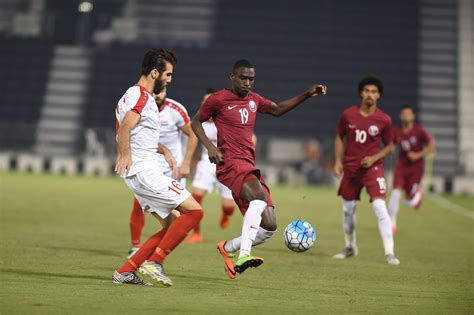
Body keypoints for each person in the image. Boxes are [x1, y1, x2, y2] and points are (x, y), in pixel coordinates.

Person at [191, 59, 327, 279]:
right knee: (259, 199)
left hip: (248, 165)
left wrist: (307, 94)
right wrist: (210, 147)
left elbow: (278, 109)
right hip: (230, 163)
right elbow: (195, 122)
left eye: (251, 79)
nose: (247, 83)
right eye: (243, 78)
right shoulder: (218, 99)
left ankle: (228, 247)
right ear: (232, 77)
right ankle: (244, 255)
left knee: (269, 226)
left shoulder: (254, 100)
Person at [113, 48, 204, 286]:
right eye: (168, 74)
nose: (170, 79)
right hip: (145, 172)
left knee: (173, 225)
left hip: (140, 172)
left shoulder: (131, 95)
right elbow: (125, 127)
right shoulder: (142, 97)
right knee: (195, 212)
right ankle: (155, 262)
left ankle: (126, 271)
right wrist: (124, 154)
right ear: (155, 73)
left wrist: (163, 150)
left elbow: (138, 134)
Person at [333, 75, 400, 265]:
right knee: (348, 210)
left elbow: (391, 146)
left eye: (374, 92)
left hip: (373, 169)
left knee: (379, 206)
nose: (370, 94)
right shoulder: (348, 115)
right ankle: (350, 246)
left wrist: (374, 158)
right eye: (367, 91)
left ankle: (389, 252)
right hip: (351, 168)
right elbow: (339, 136)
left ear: (378, 96)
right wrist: (338, 161)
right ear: (361, 93)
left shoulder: (384, 120)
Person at [127, 88, 198, 258]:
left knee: (178, 218)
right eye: (155, 91)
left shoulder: (176, 110)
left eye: (162, 91)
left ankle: (154, 256)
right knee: (139, 206)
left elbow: (193, 134)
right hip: (148, 167)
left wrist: (187, 163)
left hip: (173, 170)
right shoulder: (140, 109)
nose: (158, 94)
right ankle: (137, 249)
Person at [185, 88, 236, 244]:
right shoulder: (197, 122)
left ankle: (226, 214)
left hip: (226, 164)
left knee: (229, 207)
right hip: (206, 163)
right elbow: (190, 140)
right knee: (196, 198)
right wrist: (188, 161)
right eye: (204, 101)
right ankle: (196, 233)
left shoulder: (227, 121)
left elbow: (251, 139)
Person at [388, 105, 435, 235]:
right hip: (401, 166)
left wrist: (418, 155)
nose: (406, 116)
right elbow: (391, 146)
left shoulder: (419, 131)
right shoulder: (396, 131)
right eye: (403, 114)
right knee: (396, 192)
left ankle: (416, 195)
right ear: (400, 116)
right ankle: (391, 223)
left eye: (408, 114)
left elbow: (431, 147)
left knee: (410, 201)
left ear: (413, 116)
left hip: (416, 168)